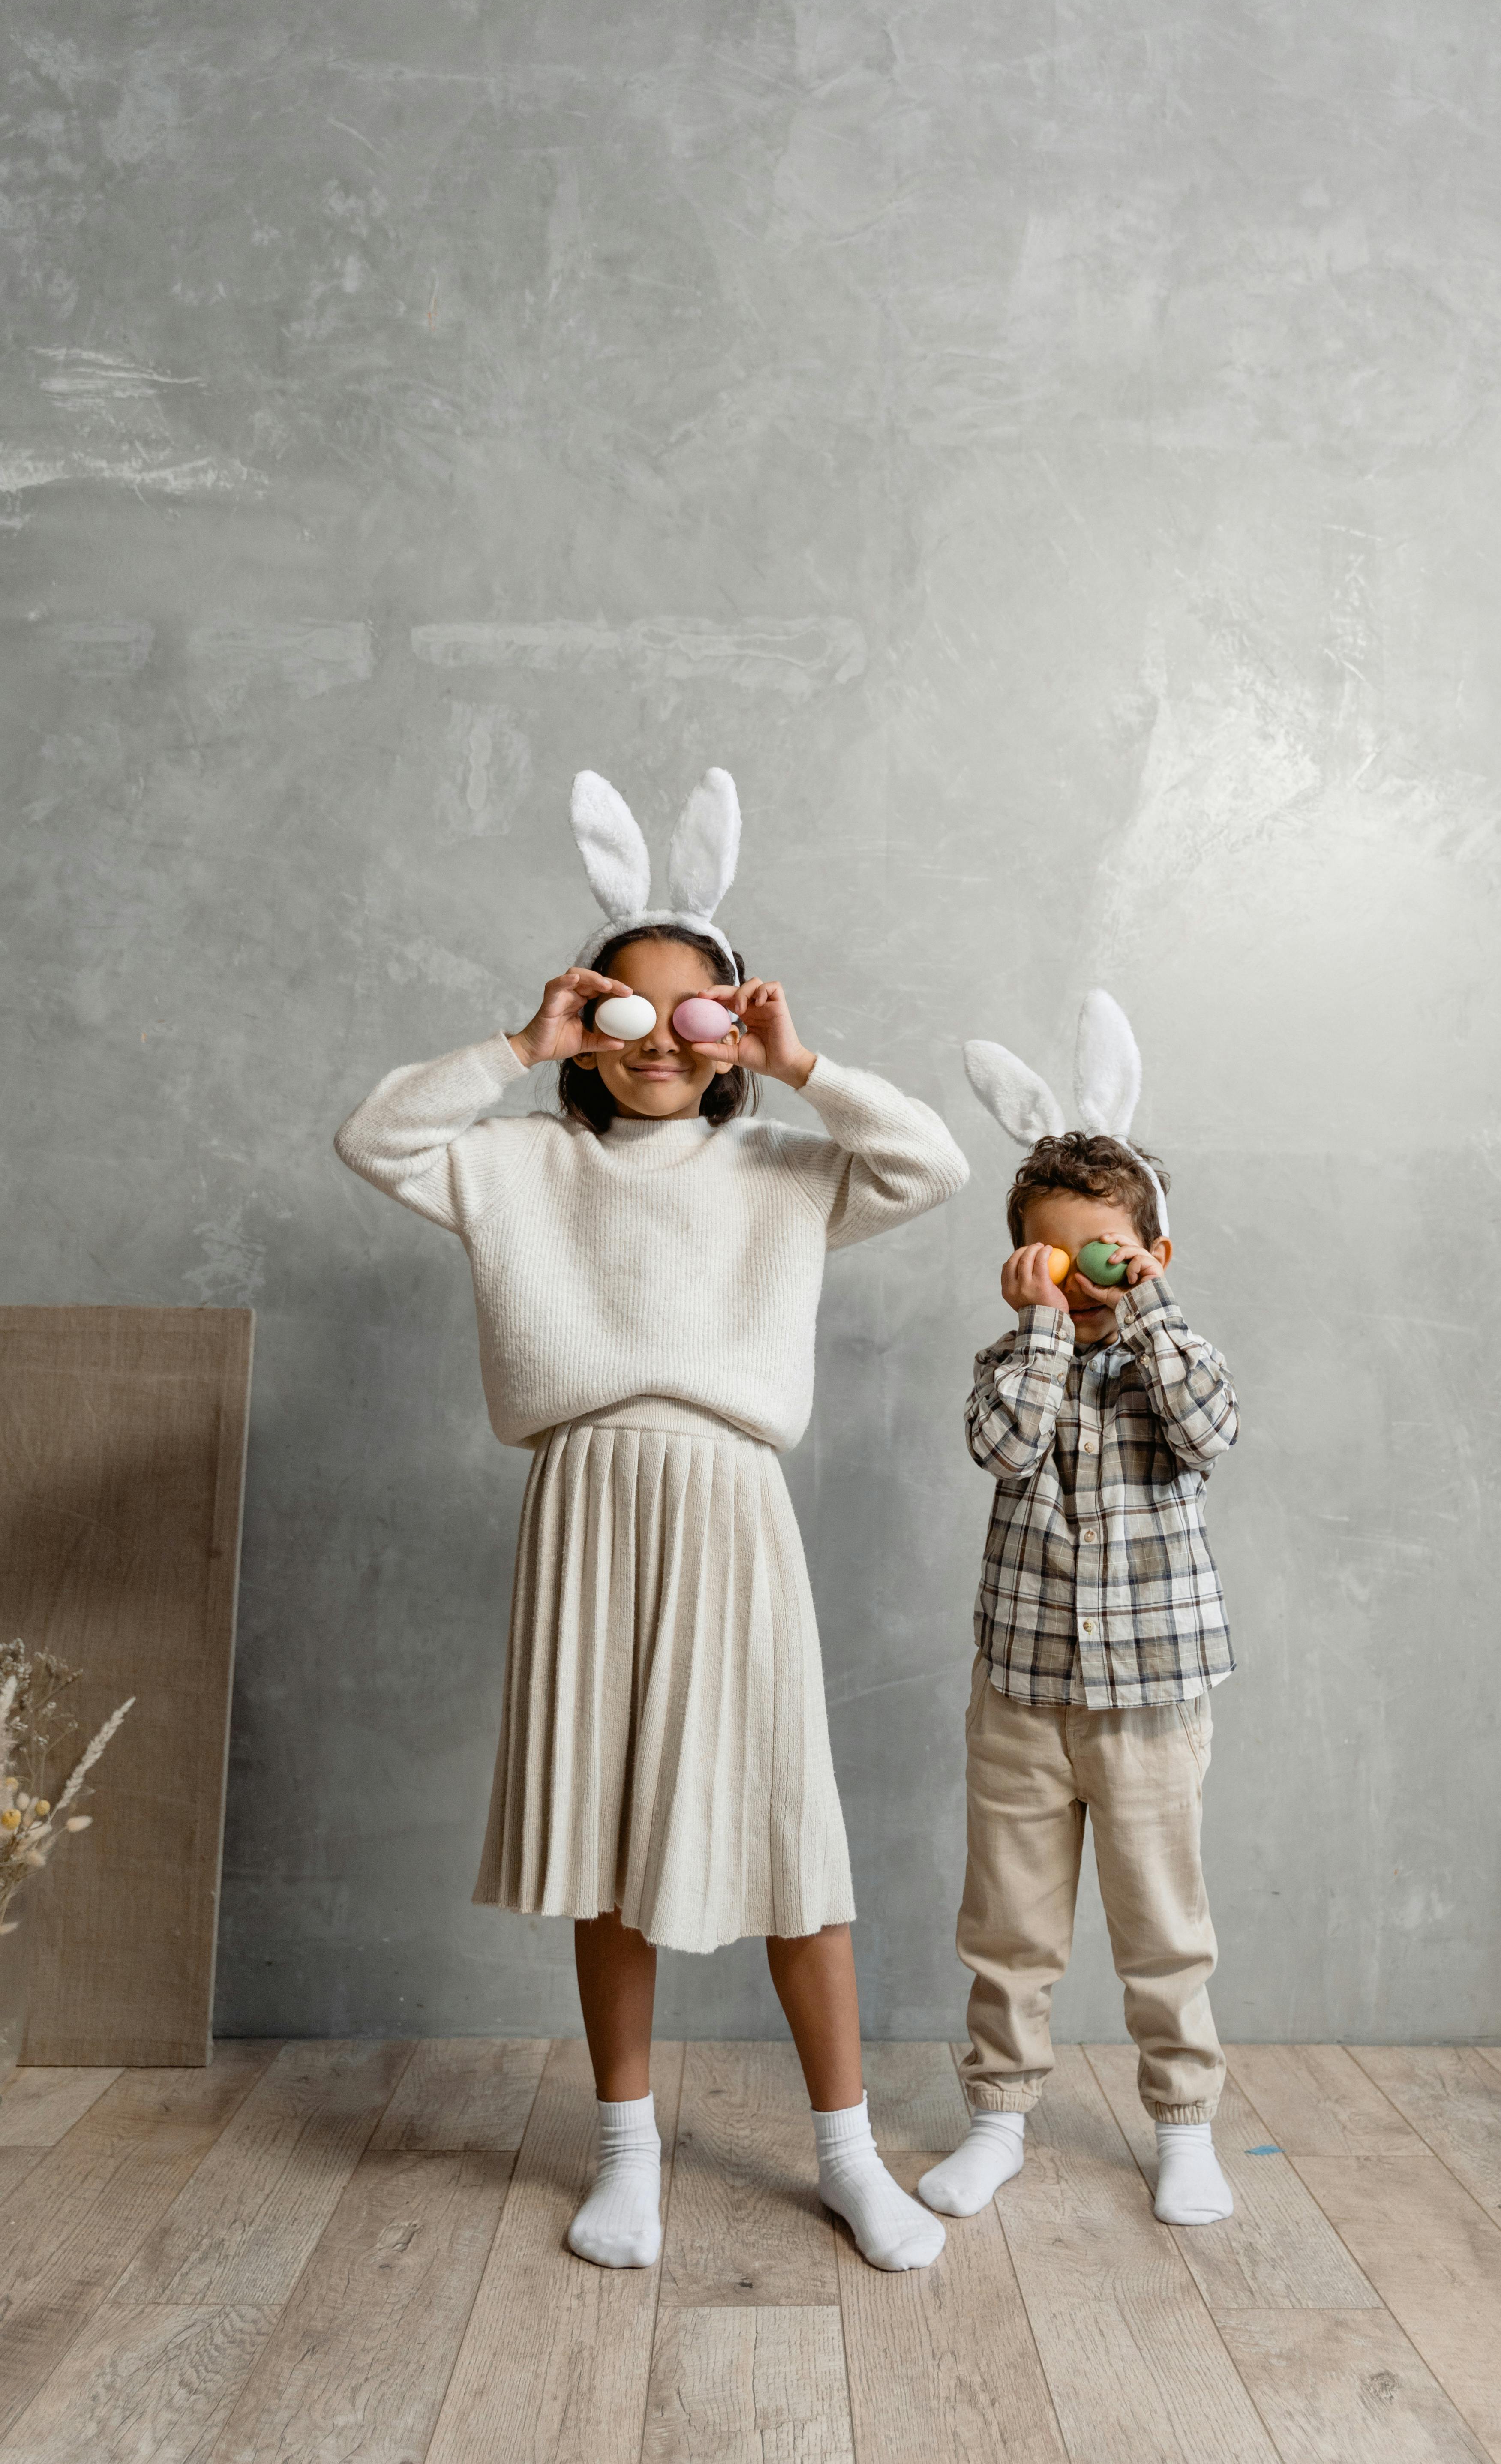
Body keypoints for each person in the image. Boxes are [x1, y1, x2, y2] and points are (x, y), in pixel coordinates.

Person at [334, 768, 967, 2274]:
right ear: (588, 1026)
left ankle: (848, 2155)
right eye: (630, 1012)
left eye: (700, 1014)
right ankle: (626, 2151)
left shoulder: (786, 1173)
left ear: (735, 1030)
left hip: (729, 1501)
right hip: (586, 1503)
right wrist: (519, 1041)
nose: (661, 1042)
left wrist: (803, 1065)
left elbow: (931, 1165)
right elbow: (375, 1138)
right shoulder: (519, 1164)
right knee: (605, 1839)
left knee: (785, 1838)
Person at [919, 1121, 1238, 2228]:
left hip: (1151, 1698)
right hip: (1023, 1691)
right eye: (1059, 1256)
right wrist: (1042, 1330)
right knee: (1009, 1926)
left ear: (1154, 1250)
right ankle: (1000, 2117)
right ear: (1025, 1266)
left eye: (1107, 1251)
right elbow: (1004, 1450)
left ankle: (1185, 2127)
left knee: (1163, 1929)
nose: (1088, 1276)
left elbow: (1205, 1432)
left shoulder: (1180, 1358)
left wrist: (1144, 1306)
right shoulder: (1013, 1366)